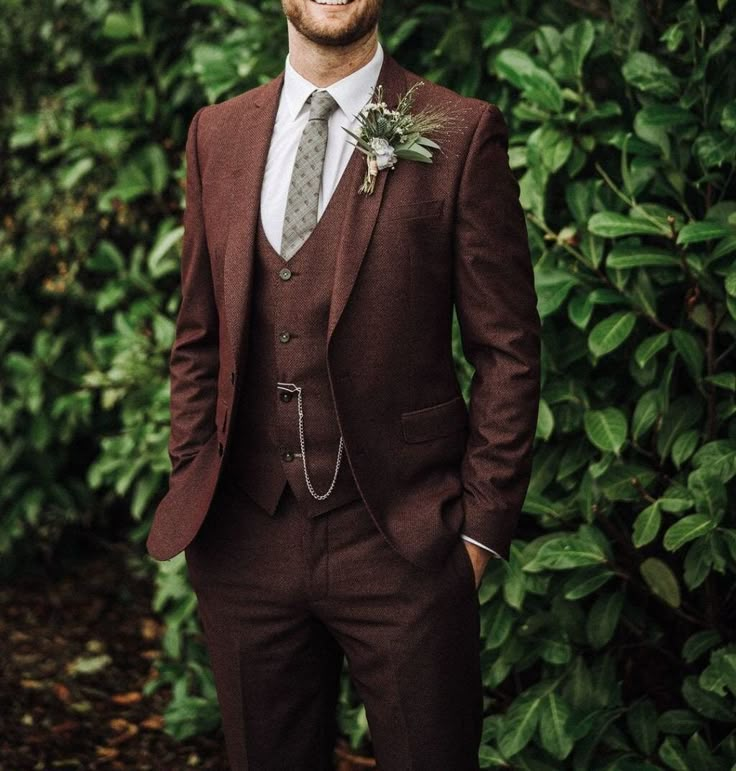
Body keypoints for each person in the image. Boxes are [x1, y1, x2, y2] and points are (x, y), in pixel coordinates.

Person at [146, 0, 541, 768]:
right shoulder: (216, 134)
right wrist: (193, 468)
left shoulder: (459, 132)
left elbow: (509, 349)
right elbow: (198, 334)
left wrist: (478, 532)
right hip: (244, 540)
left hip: (404, 542)